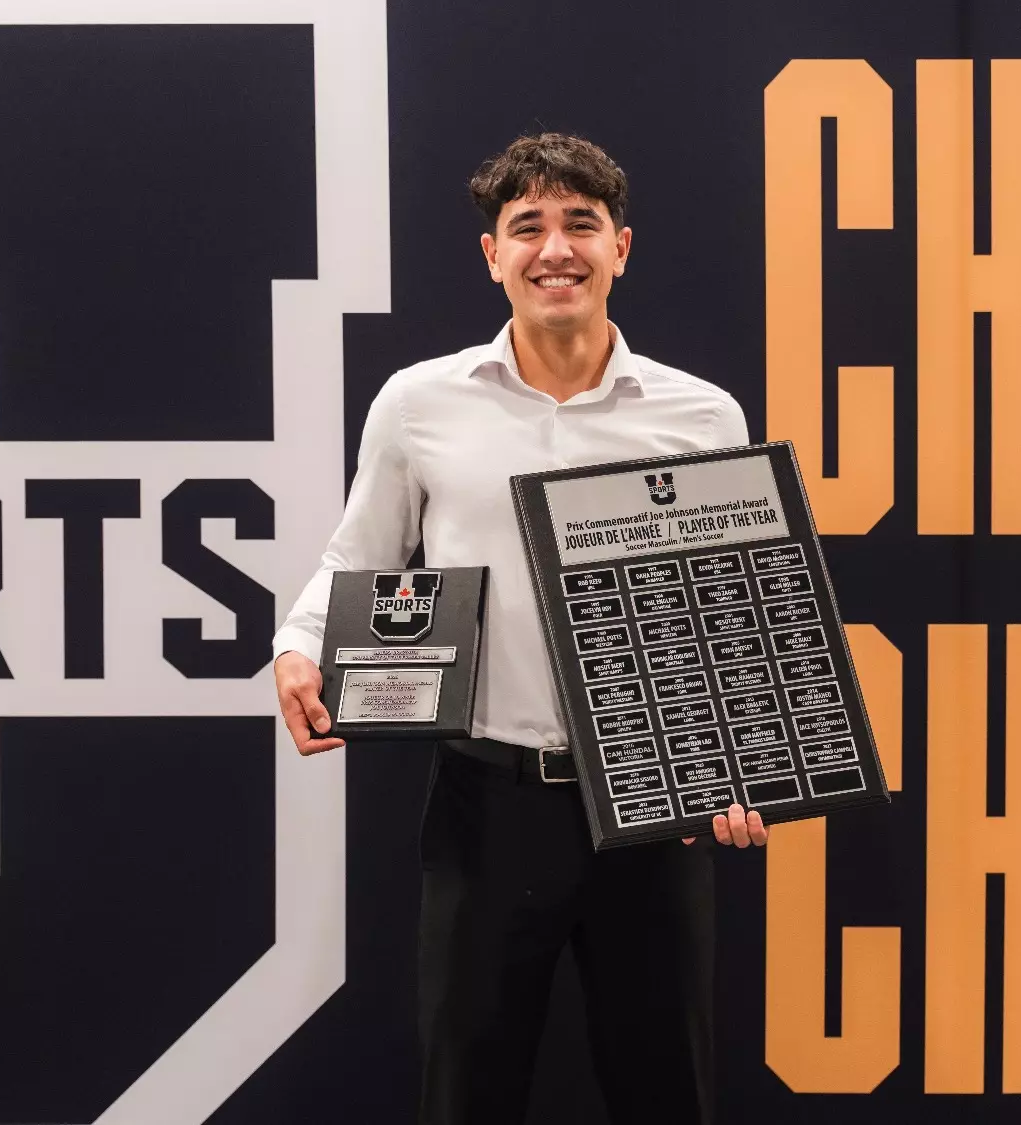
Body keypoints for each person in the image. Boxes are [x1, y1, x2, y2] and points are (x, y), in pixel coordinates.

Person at [270, 132, 765, 1125]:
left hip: (651, 807)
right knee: (467, 1091)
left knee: (664, 1085)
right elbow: (358, 556)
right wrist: (297, 646)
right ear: (491, 256)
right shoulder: (419, 405)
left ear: (619, 247)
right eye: (526, 227)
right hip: (488, 802)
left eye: (579, 225)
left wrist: (741, 759)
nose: (555, 249)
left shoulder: (701, 416)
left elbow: (729, 612)